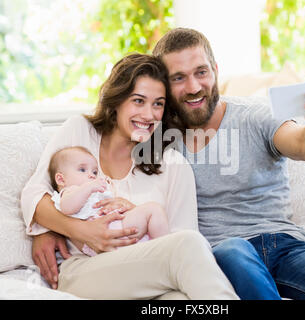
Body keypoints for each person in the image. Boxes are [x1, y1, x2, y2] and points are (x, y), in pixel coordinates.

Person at [149, 27, 305, 300]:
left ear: (214, 70)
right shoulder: (157, 138)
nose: (193, 87)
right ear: (164, 84)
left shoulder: (254, 115)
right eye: (179, 77)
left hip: (288, 248)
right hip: (223, 254)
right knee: (233, 251)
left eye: (201, 72)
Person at [20, 53, 238, 300]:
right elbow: (34, 196)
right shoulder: (80, 131)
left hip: (148, 276)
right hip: (83, 271)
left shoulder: (173, 165)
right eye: (138, 101)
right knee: (188, 246)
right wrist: (82, 231)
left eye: (158, 104)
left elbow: (179, 240)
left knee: (180, 299)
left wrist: (139, 214)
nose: (148, 115)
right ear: (117, 101)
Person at [47, 145, 170, 256]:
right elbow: (67, 207)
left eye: (94, 172)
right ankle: (167, 252)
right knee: (153, 210)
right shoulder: (69, 192)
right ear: (61, 179)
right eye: (82, 170)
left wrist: (109, 190)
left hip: (116, 228)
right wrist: (88, 187)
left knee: (154, 213)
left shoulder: (92, 192)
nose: (91, 175)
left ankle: (163, 250)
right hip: (105, 232)